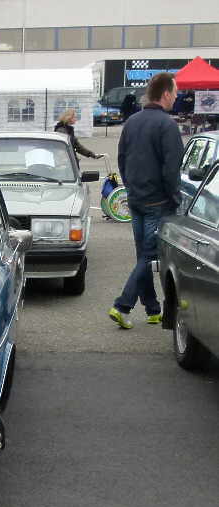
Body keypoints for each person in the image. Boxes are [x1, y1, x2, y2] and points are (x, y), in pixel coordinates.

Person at [109, 72, 183, 329]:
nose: (177, 97)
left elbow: (122, 158)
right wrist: (175, 198)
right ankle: (122, 305)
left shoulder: (132, 122)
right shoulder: (168, 125)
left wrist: (131, 186)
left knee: (144, 256)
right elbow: (172, 169)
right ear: (165, 94)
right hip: (157, 201)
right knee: (149, 256)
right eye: (175, 92)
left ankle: (152, 308)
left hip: (136, 198)